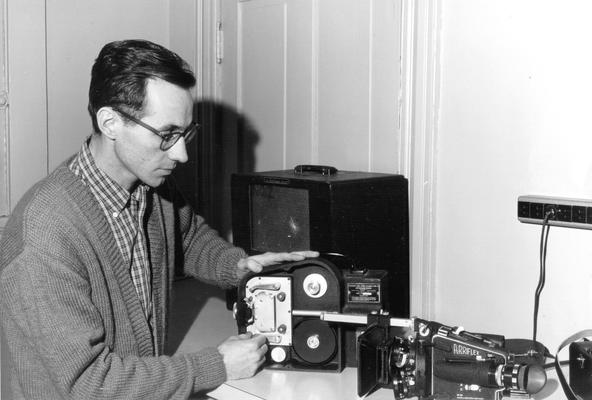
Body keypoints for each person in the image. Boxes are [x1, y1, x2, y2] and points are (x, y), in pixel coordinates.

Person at [0, 39, 317, 399]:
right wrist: (217, 366)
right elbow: (89, 384)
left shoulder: (151, 186)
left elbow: (188, 237)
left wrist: (239, 265)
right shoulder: (44, 233)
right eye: (167, 135)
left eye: (185, 133)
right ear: (110, 122)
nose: (181, 153)